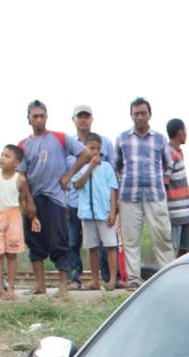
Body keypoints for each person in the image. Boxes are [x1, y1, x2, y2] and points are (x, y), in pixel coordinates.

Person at [18, 101, 89, 296]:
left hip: (56, 199)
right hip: (34, 199)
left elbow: (85, 153)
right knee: (34, 242)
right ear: (29, 119)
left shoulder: (60, 138)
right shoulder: (24, 145)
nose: (38, 119)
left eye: (42, 115)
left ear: (46, 117)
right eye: (35, 116)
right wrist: (27, 202)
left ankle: (64, 286)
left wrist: (69, 175)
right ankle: (40, 285)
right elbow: (22, 175)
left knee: (60, 241)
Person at [115, 98, 174, 284]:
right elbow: (116, 166)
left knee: (162, 235)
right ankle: (133, 278)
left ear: (150, 115)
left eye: (143, 113)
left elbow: (167, 164)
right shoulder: (122, 138)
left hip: (155, 194)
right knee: (131, 239)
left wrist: (156, 180)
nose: (139, 117)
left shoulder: (159, 139)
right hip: (129, 195)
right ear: (131, 115)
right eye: (136, 113)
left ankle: (168, 275)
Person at [0, 144, 39, 300]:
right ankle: (0, 290)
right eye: (2, 155)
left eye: (7, 156)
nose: (2, 158)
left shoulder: (20, 179)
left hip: (13, 217)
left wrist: (33, 217)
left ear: (17, 162)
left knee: (11, 254)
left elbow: (24, 200)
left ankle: (10, 288)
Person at [71, 106, 115, 281]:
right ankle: (95, 280)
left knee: (110, 245)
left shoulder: (107, 168)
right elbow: (77, 185)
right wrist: (89, 167)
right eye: (91, 149)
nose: (95, 152)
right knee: (92, 247)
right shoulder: (80, 166)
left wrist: (113, 211)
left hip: (104, 212)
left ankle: (111, 279)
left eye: (97, 149)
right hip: (86, 213)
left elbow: (113, 189)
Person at [164, 119, 189, 257]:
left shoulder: (177, 152)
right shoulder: (170, 153)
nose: (186, 134)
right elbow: (164, 182)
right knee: (173, 249)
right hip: (175, 211)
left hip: (184, 212)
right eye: (185, 131)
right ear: (180, 132)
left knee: (185, 250)